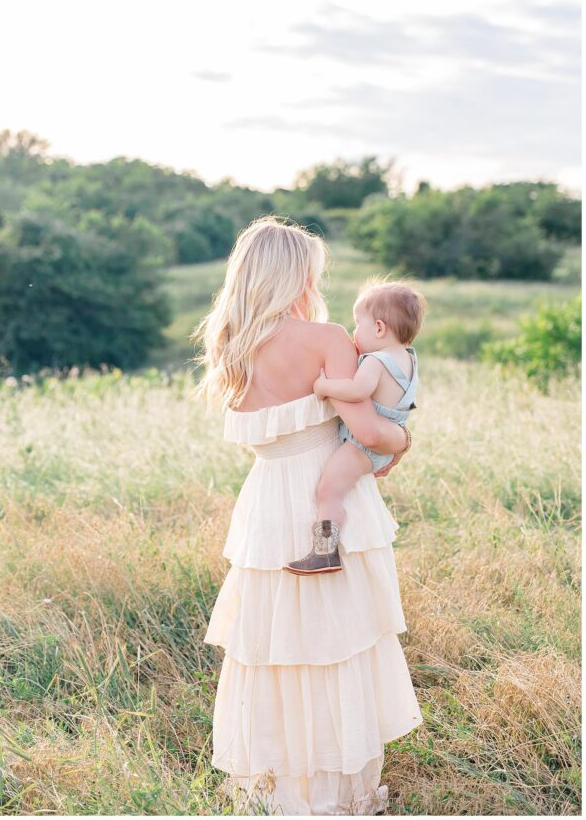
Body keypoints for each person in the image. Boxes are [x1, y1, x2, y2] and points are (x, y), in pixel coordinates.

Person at [195, 216, 424, 816]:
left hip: (269, 503)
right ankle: (339, 793)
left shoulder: (232, 347)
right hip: (327, 499)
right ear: (296, 276)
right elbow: (370, 429)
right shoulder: (325, 339)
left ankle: (277, 789)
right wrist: (404, 443)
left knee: (276, 647)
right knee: (335, 640)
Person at [284, 278, 426, 576]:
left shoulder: (376, 360)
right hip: (385, 442)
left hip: (362, 445)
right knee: (336, 489)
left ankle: (325, 551)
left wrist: (325, 386)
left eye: (356, 325)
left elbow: (358, 390)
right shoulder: (408, 359)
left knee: (328, 491)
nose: (353, 333)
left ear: (378, 328)